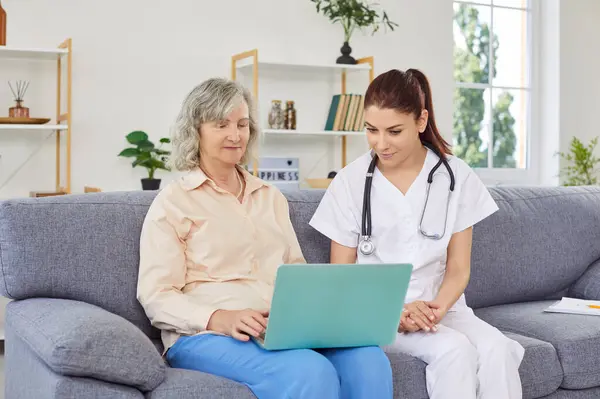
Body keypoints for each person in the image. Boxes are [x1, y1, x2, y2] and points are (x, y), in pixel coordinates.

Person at [136, 77, 393, 399]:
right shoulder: (174, 202)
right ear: (195, 131)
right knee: (310, 372)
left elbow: (296, 272)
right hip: (205, 335)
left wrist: (313, 316)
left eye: (242, 124)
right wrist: (219, 318)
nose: (235, 135)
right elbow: (156, 294)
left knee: (369, 359)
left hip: (282, 330)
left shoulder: (270, 197)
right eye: (221, 125)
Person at [308, 69, 525, 399]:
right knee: (454, 350)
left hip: (443, 307)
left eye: (394, 131)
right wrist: (395, 314)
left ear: (421, 121)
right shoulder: (350, 184)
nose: (382, 143)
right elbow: (342, 278)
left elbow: (458, 269)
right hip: (376, 312)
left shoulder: (455, 176)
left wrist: (434, 309)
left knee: (498, 349)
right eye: (371, 130)